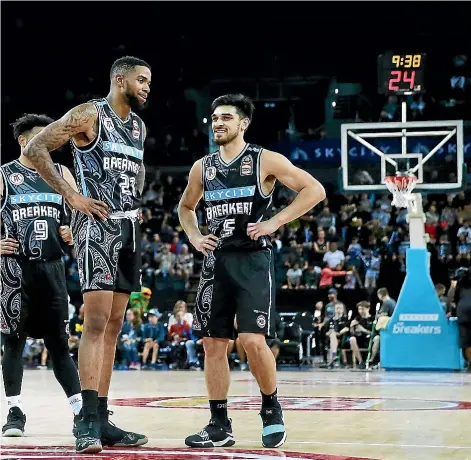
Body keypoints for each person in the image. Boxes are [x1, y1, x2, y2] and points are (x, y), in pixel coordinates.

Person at [178, 93, 325, 448]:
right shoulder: (202, 167)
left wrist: (276, 221)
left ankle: (271, 407)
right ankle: (219, 424)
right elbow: (185, 207)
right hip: (216, 261)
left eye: (226, 118)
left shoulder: (264, 160)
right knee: (213, 344)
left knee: (250, 341)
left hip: (253, 261)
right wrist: (196, 237)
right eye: (214, 118)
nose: (218, 123)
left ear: (243, 123)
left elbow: (314, 189)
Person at [22, 56, 150, 453]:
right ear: (120, 79)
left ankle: (104, 418)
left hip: (129, 230)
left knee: (114, 327)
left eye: (149, 81)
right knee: (95, 324)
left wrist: (136, 199)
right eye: (141, 80)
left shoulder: (139, 126)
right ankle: (85, 421)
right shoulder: (88, 115)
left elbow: (137, 171)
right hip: (97, 228)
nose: (147, 86)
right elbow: (38, 148)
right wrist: (72, 196)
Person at [0, 114, 83, 437]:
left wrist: (72, 230)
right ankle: (14, 411)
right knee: (12, 343)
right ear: (25, 141)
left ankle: (80, 410)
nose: (52, 142)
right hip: (14, 270)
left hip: (53, 268)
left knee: (59, 343)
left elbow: (81, 215)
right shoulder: (6, 175)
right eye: (43, 137)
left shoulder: (61, 174)